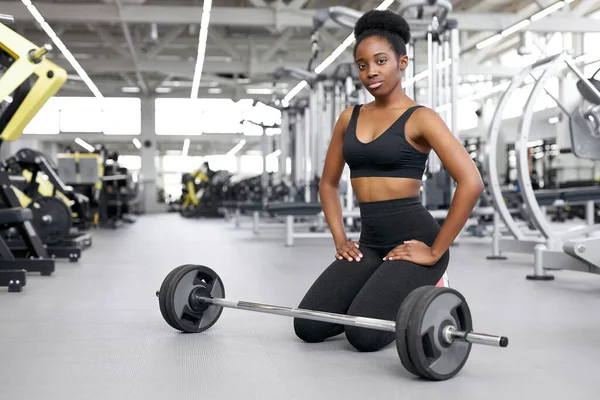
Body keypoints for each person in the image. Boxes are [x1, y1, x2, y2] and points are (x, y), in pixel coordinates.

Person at [293, 10, 484, 352]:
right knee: (307, 326)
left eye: (381, 61)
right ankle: (381, 289)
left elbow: (471, 182)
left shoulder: (421, 118)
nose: (371, 72)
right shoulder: (348, 117)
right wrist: (340, 239)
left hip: (414, 244)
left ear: (403, 61)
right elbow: (328, 184)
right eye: (362, 64)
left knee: (363, 336)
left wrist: (436, 249)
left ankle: (430, 283)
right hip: (369, 243)